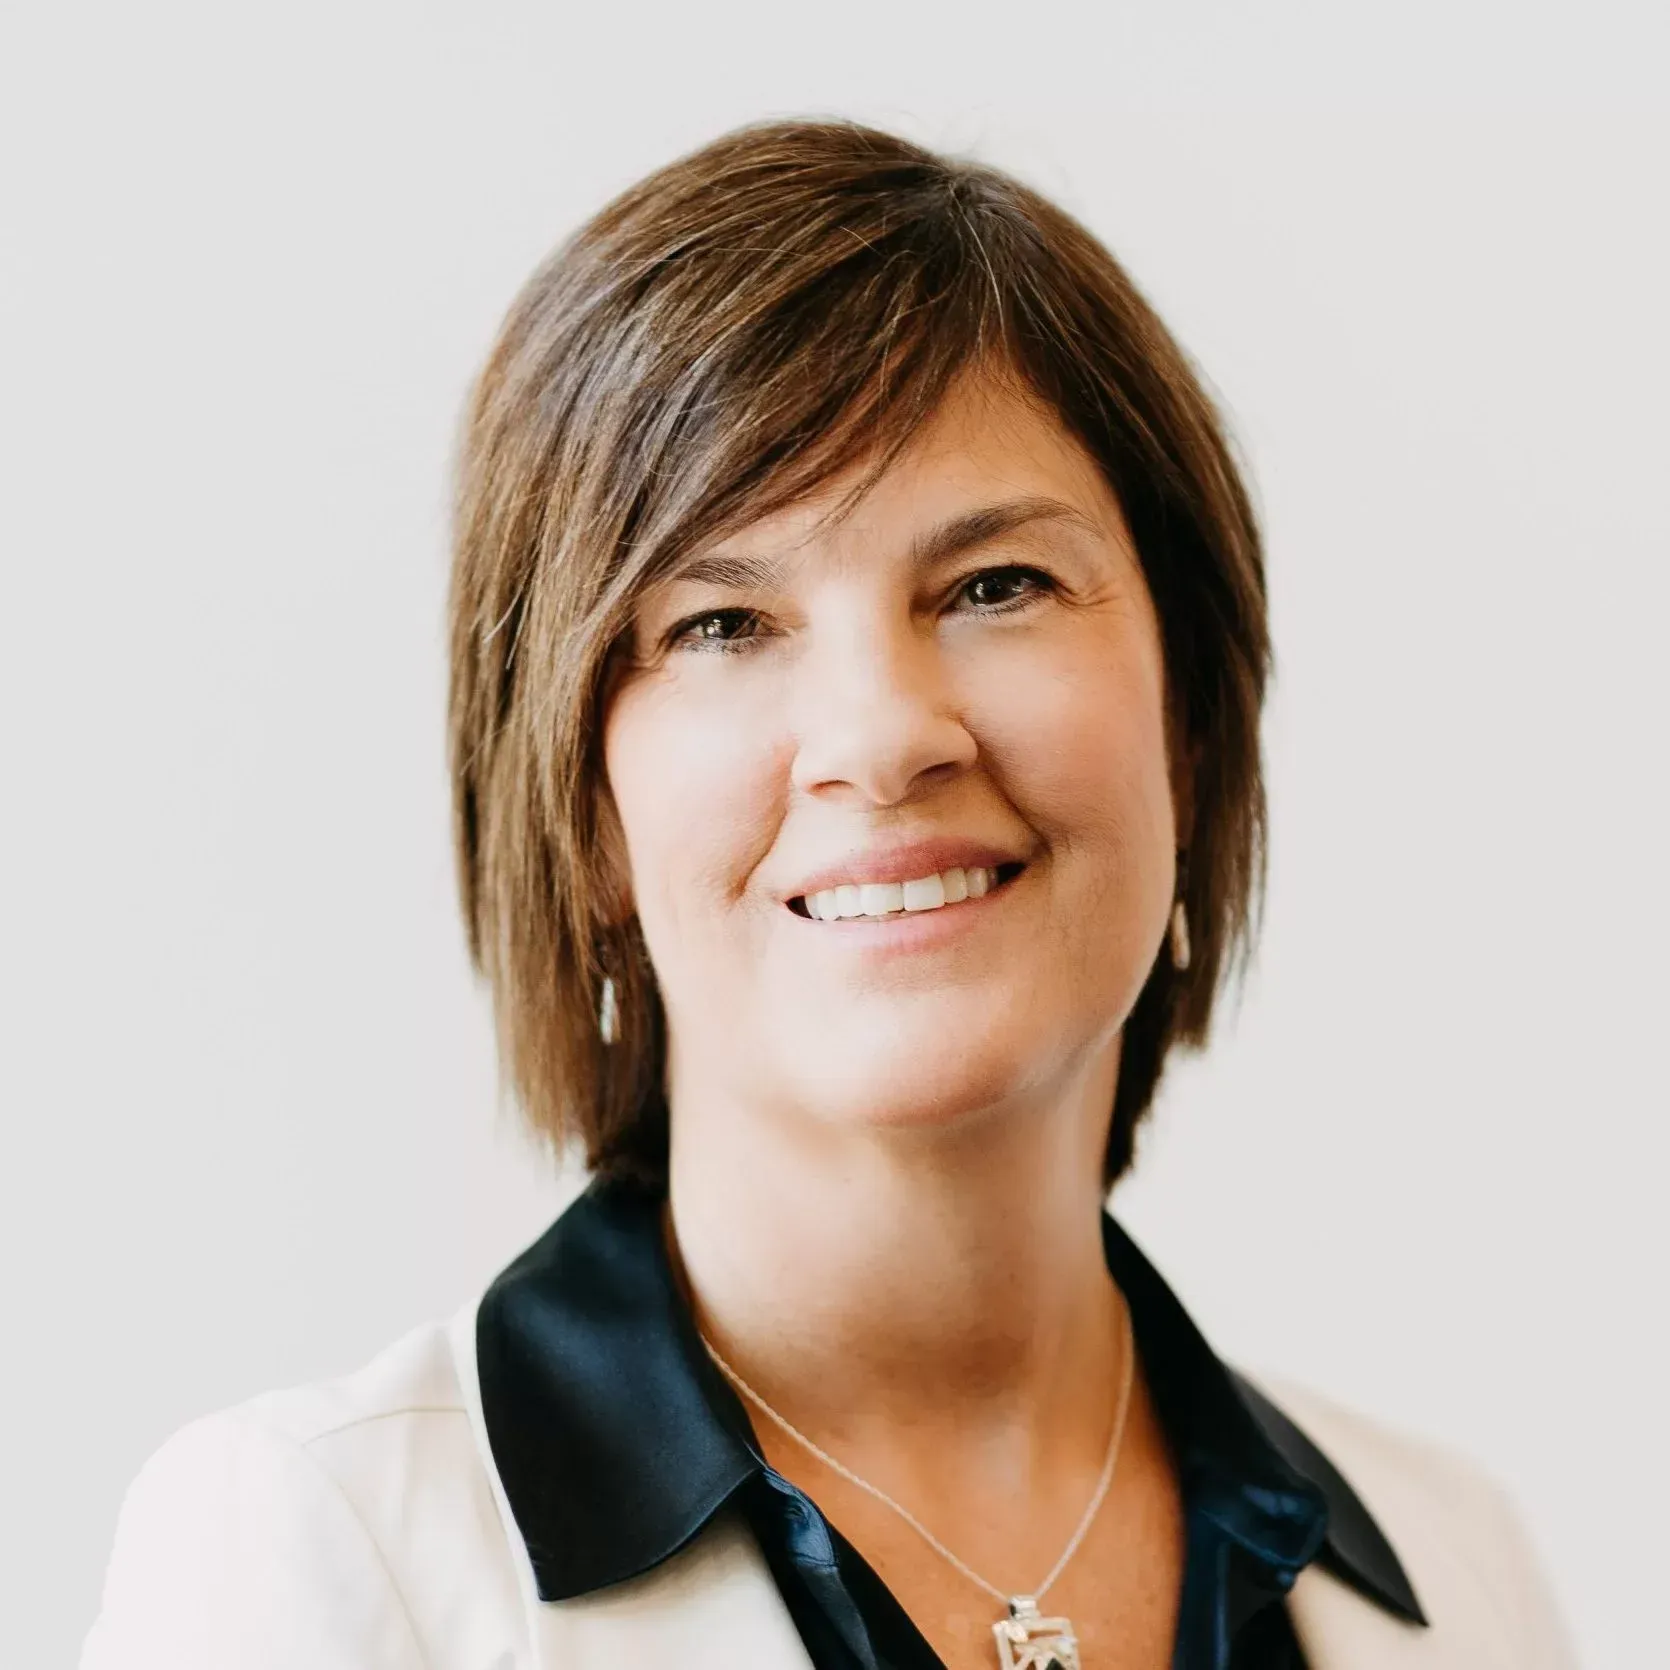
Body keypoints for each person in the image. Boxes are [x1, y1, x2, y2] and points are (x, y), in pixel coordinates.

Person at [80, 119, 1576, 1670]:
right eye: (723, 623)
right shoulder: (318, 1555)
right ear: (581, 809)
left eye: (994, 585)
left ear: (1187, 720)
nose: (881, 736)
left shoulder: (1463, 1575)